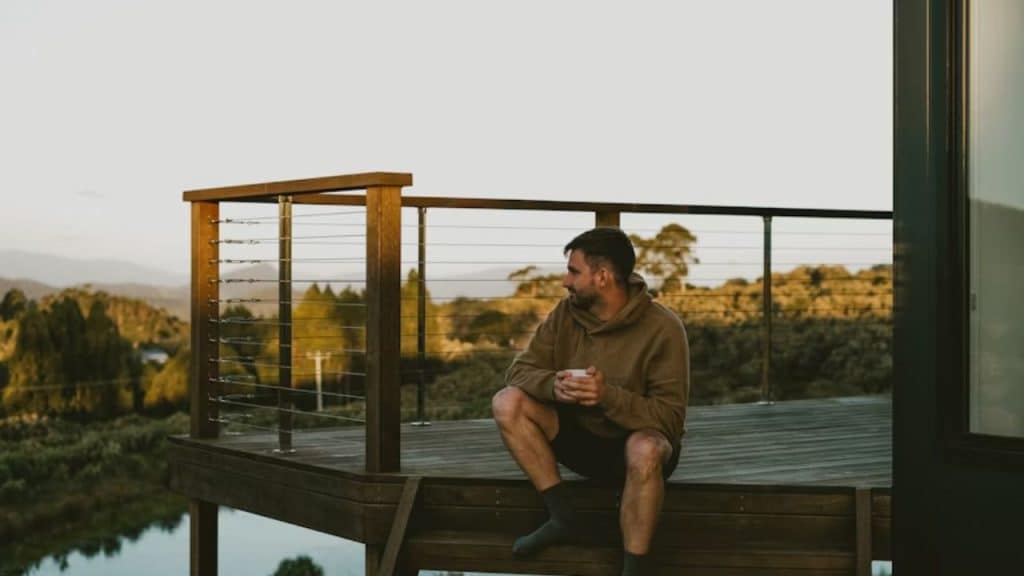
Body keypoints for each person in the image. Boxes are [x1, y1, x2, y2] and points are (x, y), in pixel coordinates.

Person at [491, 227, 690, 576]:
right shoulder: (565, 315)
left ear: (601, 277)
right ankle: (563, 517)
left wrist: (606, 396)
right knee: (507, 402)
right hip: (581, 440)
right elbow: (519, 372)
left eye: (573, 271)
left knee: (645, 449)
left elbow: (670, 420)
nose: (565, 281)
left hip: (634, 447)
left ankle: (634, 568)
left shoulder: (664, 328)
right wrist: (553, 385)